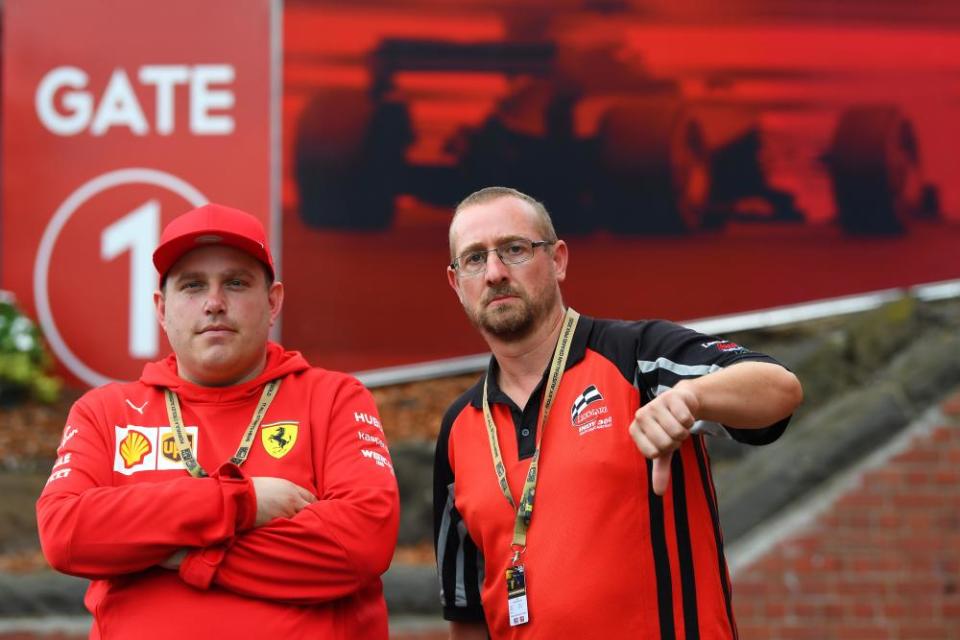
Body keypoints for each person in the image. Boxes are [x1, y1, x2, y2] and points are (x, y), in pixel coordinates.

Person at [433, 187, 803, 639]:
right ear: (456, 284)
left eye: (514, 250)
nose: (494, 273)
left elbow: (778, 387)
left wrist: (693, 399)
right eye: (474, 258)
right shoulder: (459, 427)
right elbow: (468, 616)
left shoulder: (635, 356)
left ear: (558, 260)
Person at [37, 203, 399, 639]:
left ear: (273, 301)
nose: (214, 303)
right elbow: (66, 534)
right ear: (161, 307)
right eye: (192, 285)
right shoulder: (105, 412)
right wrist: (238, 504)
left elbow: (359, 546)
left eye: (235, 283)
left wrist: (180, 554)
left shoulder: (334, 398)